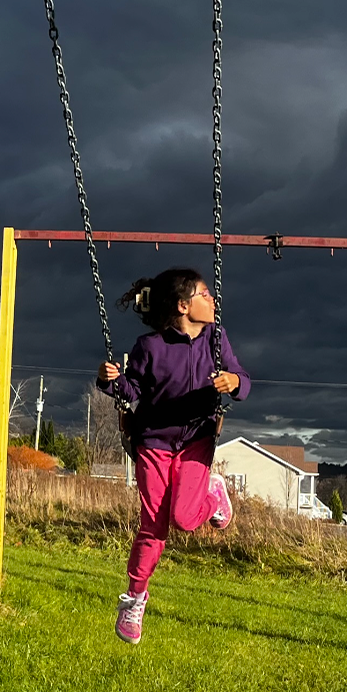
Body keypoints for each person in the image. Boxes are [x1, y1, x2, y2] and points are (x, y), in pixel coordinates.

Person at [97, 266, 249, 645]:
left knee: (183, 518)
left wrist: (233, 382)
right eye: (204, 294)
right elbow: (132, 391)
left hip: (197, 438)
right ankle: (134, 599)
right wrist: (110, 380)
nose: (212, 300)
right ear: (183, 305)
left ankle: (212, 493)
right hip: (153, 441)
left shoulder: (217, 339)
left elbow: (243, 379)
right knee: (154, 524)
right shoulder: (150, 347)